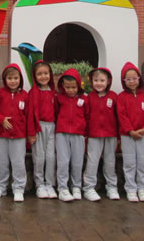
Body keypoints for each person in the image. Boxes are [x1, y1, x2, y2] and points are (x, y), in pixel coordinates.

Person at [0, 64, 29, 202]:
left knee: (18, 162)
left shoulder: (25, 96)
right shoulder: (0, 93)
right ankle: (1, 186)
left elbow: (29, 115)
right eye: (10, 78)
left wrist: (29, 133)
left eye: (15, 78)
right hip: (2, 134)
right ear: (5, 79)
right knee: (2, 161)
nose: (13, 81)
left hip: (19, 135)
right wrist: (1, 119)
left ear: (20, 78)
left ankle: (19, 188)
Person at [116, 61, 144, 202]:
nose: (132, 82)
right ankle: (130, 188)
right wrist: (130, 130)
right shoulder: (122, 97)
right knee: (129, 162)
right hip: (128, 136)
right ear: (124, 81)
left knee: (142, 162)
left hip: (143, 135)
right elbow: (122, 115)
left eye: (134, 78)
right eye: (128, 79)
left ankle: (142, 188)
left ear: (139, 79)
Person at [83, 68, 120, 201]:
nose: (99, 83)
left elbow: (118, 116)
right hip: (94, 135)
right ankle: (88, 187)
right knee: (92, 161)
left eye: (102, 80)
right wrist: (86, 133)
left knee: (110, 161)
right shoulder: (89, 98)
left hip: (111, 134)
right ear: (92, 81)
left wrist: (119, 135)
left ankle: (111, 187)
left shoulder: (113, 97)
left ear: (108, 81)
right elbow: (86, 116)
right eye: (96, 80)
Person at [54, 68, 88, 202]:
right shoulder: (59, 98)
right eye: (68, 87)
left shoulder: (84, 99)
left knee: (77, 161)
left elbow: (87, 115)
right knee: (63, 161)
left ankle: (76, 186)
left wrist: (85, 131)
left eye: (73, 87)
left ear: (78, 85)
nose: (71, 90)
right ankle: (62, 188)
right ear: (63, 86)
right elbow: (56, 113)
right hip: (62, 133)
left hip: (78, 133)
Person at [27, 60, 56, 199]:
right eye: (40, 74)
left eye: (46, 73)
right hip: (39, 127)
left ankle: (49, 183)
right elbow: (30, 113)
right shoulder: (33, 92)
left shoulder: (53, 93)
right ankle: (39, 184)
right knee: (40, 157)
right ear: (34, 76)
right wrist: (31, 132)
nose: (43, 76)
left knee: (50, 156)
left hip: (52, 127)